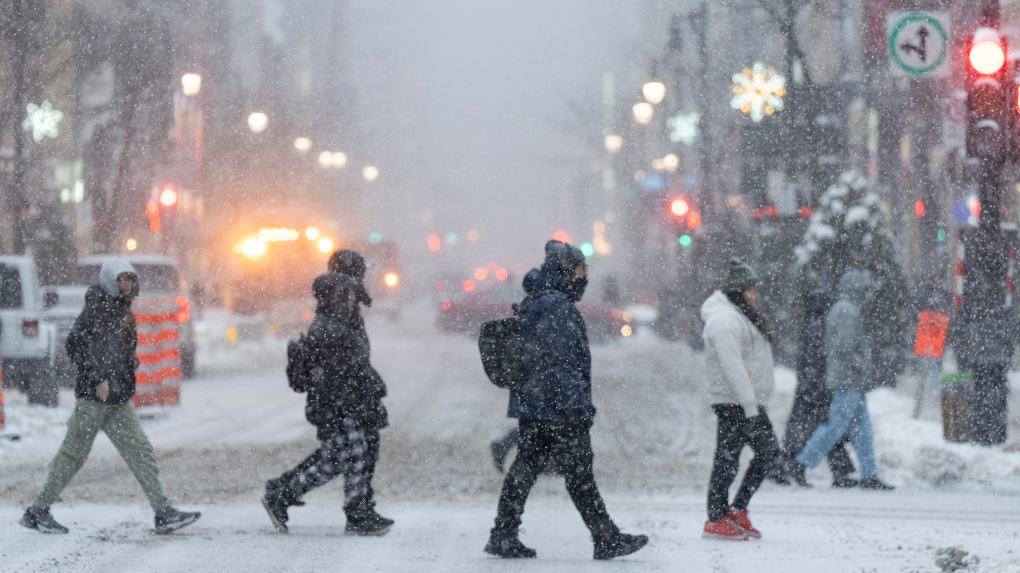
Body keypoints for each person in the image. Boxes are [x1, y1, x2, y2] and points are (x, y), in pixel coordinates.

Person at [485, 240, 647, 560]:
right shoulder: (557, 305)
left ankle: (502, 533)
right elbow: (562, 362)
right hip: (557, 407)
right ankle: (605, 538)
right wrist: (576, 407)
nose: (583, 276)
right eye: (578, 270)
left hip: (538, 404)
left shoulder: (541, 300)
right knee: (578, 473)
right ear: (563, 271)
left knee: (526, 469)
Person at [19, 258, 200, 534]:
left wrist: (127, 368)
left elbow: (115, 351)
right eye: (120, 280)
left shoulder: (121, 310)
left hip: (117, 399)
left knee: (140, 451)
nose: (125, 285)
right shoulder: (97, 309)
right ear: (108, 281)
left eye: (129, 279)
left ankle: (163, 512)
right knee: (73, 456)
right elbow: (76, 345)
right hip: (94, 399)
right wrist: (97, 379)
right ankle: (37, 510)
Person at [262, 273, 384, 535]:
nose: (352, 297)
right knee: (356, 454)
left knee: (333, 462)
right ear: (335, 297)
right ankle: (357, 514)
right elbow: (334, 375)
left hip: (342, 403)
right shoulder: (329, 328)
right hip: (340, 405)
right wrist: (342, 405)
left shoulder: (337, 322)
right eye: (347, 293)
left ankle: (282, 495)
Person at [701, 258, 783, 541]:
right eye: (750, 289)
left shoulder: (737, 316)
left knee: (745, 456)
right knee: (739, 458)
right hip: (735, 402)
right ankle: (717, 518)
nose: (755, 294)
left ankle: (733, 512)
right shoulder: (724, 321)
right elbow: (733, 367)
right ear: (738, 291)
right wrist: (750, 406)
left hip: (745, 402)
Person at [792, 270, 894, 490]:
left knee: (862, 430)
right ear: (856, 288)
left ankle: (870, 475)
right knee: (837, 426)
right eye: (865, 289)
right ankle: (801, 463)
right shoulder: (847, 311)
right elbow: (845, 347)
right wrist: (863, 365)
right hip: (848, 380)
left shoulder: (846, 309)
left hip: (851, 380)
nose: (868, 294)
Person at [327, 249, 394, 532]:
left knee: (359, 451)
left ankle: (363, 506)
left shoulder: (348, 305)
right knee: (354, 453)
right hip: (348, 395)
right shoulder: (338, 308)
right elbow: (340, 358)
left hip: (356, 391)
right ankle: (358, 510)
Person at [782, 290, 858, 488]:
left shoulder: (810, 324)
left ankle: (793, 463)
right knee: (826, 428)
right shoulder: (820, 325)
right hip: (818, 386)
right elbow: (820, 358)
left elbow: (806, 358)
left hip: (809, 385)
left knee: (815, 428)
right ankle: (834, 470)